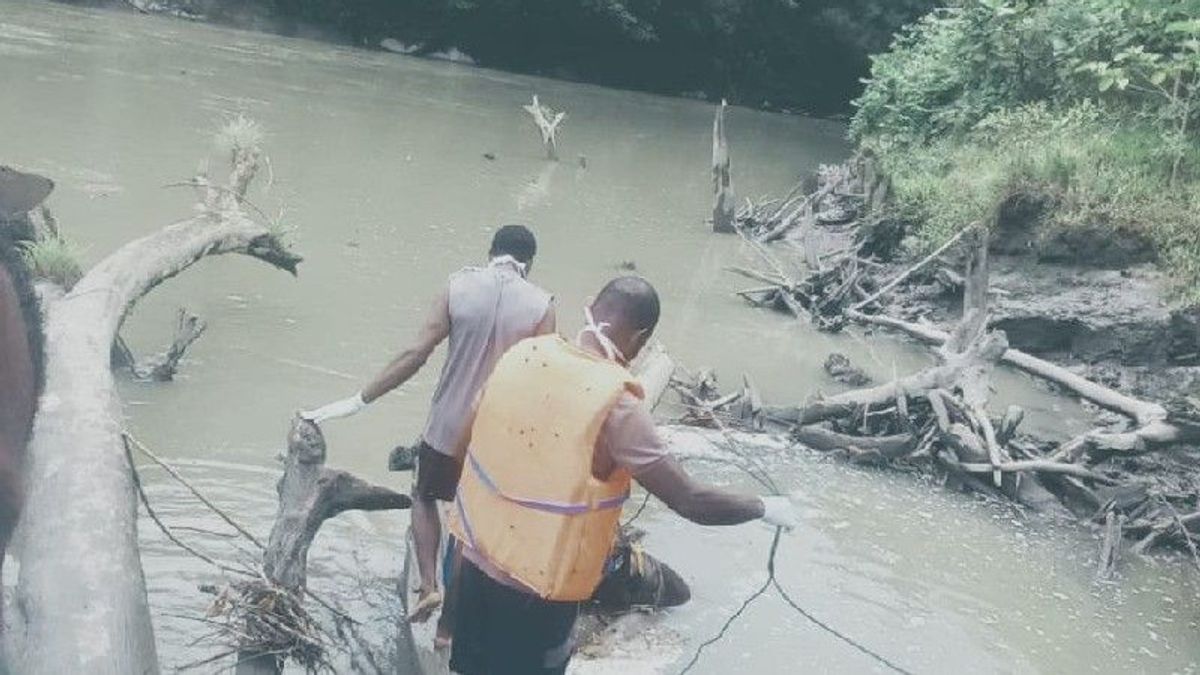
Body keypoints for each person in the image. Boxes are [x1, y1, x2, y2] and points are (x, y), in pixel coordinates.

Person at [445, 276, 798, 675]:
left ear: (592, 305)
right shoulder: (618, 407)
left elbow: (463, 438)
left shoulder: (524, 356)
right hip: (536, 595)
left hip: (476, 565)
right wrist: (763, 506)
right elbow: (689, 500)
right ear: (641, 339)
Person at [301, 224, 555, 629]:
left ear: (490, 251)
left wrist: (358, 401)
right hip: (498, 435)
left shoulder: (459, 287)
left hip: (447, 426)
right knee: (473, 521)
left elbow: (416, 353)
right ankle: (451, 625)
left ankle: (428, 585)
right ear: (530, 262)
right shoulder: (542, 305)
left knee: (423, 495)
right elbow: (544, 379)